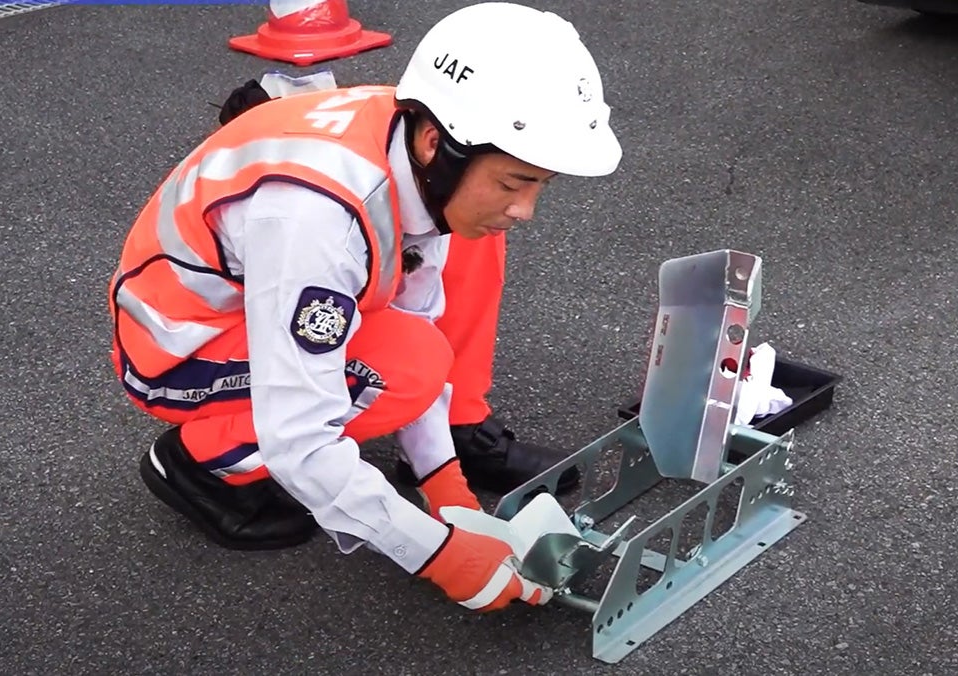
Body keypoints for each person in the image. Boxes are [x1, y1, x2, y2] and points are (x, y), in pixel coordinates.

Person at [107, 2, 622, 612]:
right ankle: (198, 462)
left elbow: (420, 316)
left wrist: (443, 482)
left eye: (540, 185)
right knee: (397, 374)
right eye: (513, 183)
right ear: (438, 145)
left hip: (240, 301)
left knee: (424, 341)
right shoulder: (316, 222)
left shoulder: (416, 136)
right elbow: (300, 437)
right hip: (176, 350)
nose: (526, 209)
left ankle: (248, 441)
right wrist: (436, 553)